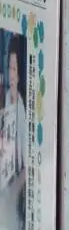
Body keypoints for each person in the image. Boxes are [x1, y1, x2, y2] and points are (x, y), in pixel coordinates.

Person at [5, 43, 25, 176]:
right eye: (10, 68)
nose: (12, 74)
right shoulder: (7, 96)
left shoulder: (22, 107)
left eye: (15, 69)